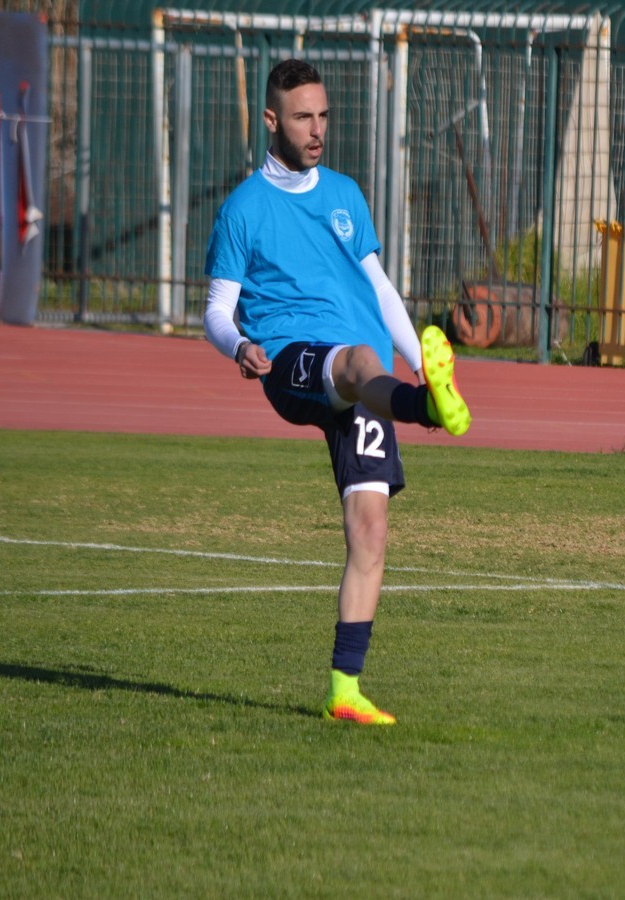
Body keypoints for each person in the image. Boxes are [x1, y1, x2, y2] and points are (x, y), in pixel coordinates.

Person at [203, 58, 471, 726]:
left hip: (367, 375)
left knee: (371, 532)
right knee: (355, 361)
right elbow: (216, 310)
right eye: (303, 117)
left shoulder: (346, 194)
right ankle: (424, 408)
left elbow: (380, 289)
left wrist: (420, 360)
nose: (317, 129)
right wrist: (238, 346)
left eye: (324, 116)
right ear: (272, 120)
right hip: (292, 358)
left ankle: (344, 692)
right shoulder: (243, 210)